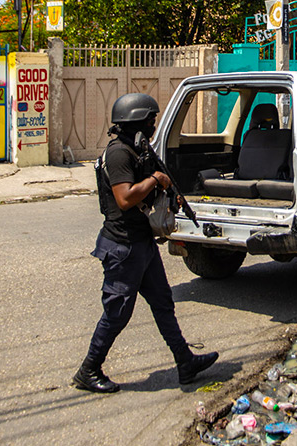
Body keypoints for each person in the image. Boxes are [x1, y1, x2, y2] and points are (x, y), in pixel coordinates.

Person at [73, 93, 218, 393]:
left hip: (143, 244)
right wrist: (155, 180)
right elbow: (125, 198)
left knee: (163, 304)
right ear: (136, 121)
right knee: (117, 313)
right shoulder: (118, 154)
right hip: (123, 247)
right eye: (150, 120)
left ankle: (185, 362)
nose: (153, 126)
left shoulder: (137, 148)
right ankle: (88, 369)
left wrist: (169, 193)